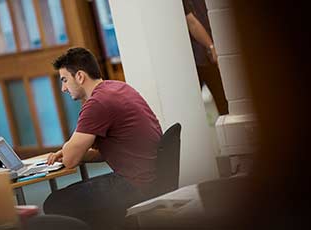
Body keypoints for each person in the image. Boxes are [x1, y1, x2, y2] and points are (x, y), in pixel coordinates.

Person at [43, 47, 162, 229]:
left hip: (135, 183)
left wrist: (69, 150)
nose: (63, 88)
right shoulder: (118, 87)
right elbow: (103, 152)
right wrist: (75, 152)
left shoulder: (97, 103)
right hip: (152, 176)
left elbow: (70, 160)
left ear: (80, 77)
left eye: (65, 80)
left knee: (54, 202)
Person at [183, 0, 229, 115]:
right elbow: (191, 21)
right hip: (200, 57)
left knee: (224, 103)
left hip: (208, 53)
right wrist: (212, 47)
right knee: (223, 103)